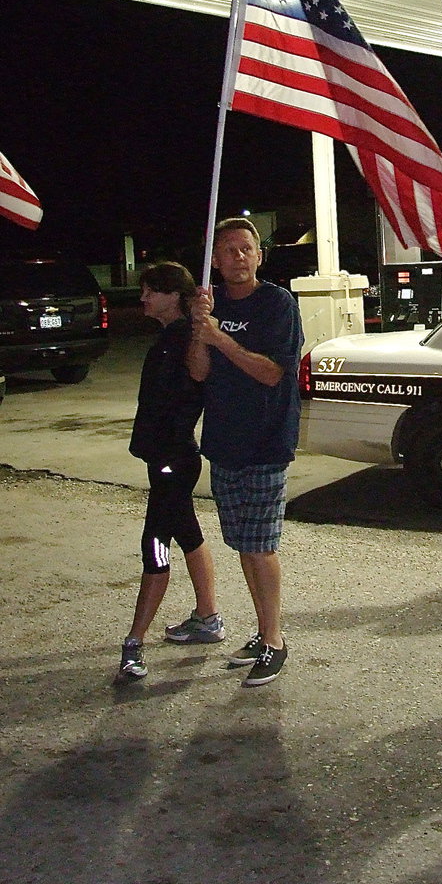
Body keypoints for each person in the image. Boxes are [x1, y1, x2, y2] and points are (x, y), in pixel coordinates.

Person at [188, 217, 303, 687]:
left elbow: (272, 372)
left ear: (259, 256)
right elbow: (198, 372)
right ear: (214, 260)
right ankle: (261, 630)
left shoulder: (277, 304)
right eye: (227, 250)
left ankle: (275, 639)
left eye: (245, 249)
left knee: (261, 545)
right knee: (242, 543)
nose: (237, 257)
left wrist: (220, 337)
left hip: (266, 440)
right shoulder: (209, 303)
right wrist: (200, 329)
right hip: (224, 441)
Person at [114, 262, 223, 686]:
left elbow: (198, 378)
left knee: (155, 544)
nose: (142, 298)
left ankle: (134, 643)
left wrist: (201, 323)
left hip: (173, 459)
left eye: (151, 291)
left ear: (174, 295)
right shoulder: (168, 338)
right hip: (165, 457)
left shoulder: (186, 339)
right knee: (187, 532)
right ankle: (208, 617)